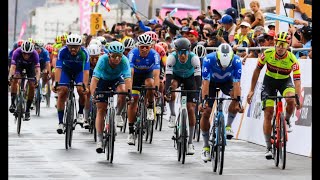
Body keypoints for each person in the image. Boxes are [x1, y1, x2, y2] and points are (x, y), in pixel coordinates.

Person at [247, 31, 302, 160]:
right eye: (278, 44)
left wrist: (297, 97)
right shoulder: (267, 54)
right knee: (268, 113)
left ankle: (287, 119)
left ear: (288, 46)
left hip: (285, 82)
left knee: (290, 99)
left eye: (284, 44)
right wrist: (251, 90)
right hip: (269, 82)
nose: (281, 47)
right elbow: (257, 71)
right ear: (275, 44)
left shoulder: (292, 59)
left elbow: (297, 81)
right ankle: (268, 147)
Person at [199, 43, 243, 162]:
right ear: (217, 58)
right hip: (211, 83)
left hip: (227, 82)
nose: (223, 68)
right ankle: (205, 146)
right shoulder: (209, 59)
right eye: (221, 65)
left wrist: (238, 101)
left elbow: (237, 84)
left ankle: (228, 125)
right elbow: (205, 83)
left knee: (235, 96)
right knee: (206, 112)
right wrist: (204, 102)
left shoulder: (237, 60)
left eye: (226, 66)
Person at [90, 41, 132, 153]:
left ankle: (118, 114)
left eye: (119, 56)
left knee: (123, 92)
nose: (117, 59)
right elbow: (94, 79)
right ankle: (99, 138)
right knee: (101, 109)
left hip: (116, 80)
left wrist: (129, 94)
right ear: (109, 55)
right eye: (114, 56)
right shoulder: (102, 60)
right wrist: (93, 94)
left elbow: (128, 79)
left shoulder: (124, 60)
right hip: (102, 81)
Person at [164, 38, 202, 155]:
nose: (183, 56)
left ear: (189, 52)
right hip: (177, 77)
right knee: (172, 85)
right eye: (180, 53)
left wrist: (198, 92)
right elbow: (168, 76)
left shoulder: (194, 59)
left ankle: (190, 142)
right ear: (176, 52)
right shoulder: (171, 58)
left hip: (190, 79)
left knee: (191, 109)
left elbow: (198, 80)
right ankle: (173, 114)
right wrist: (167, 91)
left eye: (185, 53)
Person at [52, 34, 90, 134]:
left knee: (81, 90)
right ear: (67, 46)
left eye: (76, 47)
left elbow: (86, 71)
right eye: (71, 47)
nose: (73, 49)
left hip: (79, 72)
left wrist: (85, 85)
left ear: (80, 46)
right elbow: (58, 68)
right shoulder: (62, 51)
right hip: (66, 71)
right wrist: (56, 83)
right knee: (62, 91)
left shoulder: (84, 52)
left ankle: (80, 113)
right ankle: (60, 122)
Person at [126, 33, 161, 145]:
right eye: (142, 47)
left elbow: (156, 74)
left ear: (151, 46)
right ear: (138, 46)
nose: (145, 49)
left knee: (150, 84)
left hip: (148, 74)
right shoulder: (132, 54)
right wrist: (129, 90)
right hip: (135, 76)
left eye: (147, 46)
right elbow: (130, 73)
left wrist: (156, 89)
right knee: (133, 102)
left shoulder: (155, 55)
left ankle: (150, 106)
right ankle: (131, 132)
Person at [8, 41, 41, 121]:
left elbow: (37, 69)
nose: (26, 55)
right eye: (24, 53)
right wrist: (10, 78)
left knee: (32, 85)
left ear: (31, 53)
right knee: (15, 79)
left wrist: (37, 79)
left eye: (28, 54)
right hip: (19, 65)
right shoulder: (17, 52)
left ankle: (27, 110)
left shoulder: (35, 54)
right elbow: (12, 67)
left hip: (30, 67)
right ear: (21, 51)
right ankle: (12, 103)